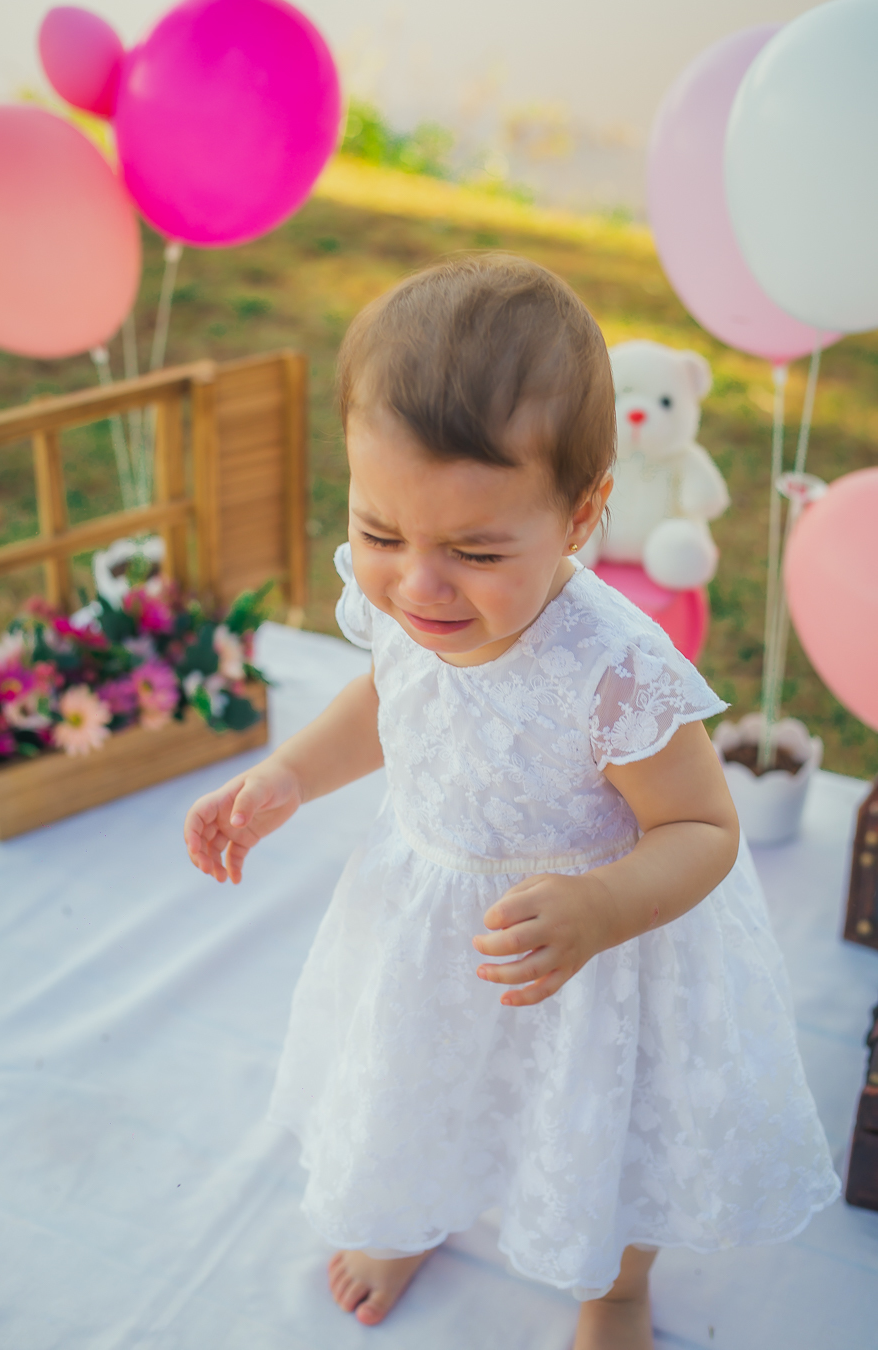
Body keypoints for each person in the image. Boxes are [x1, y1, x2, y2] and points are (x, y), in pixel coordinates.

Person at [184, 256, 838, 1349]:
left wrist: (601, 910)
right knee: (423, 1075)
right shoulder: (408, 595)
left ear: (582, 517)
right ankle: (410, 1212)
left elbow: (703, 828)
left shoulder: (612, 667)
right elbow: (387, 695)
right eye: (382, 532)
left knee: (611, 1130)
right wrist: (286, 775)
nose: (419, 587)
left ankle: (614, 1286)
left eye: (477, 549)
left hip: (596, 951)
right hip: (438, 917)